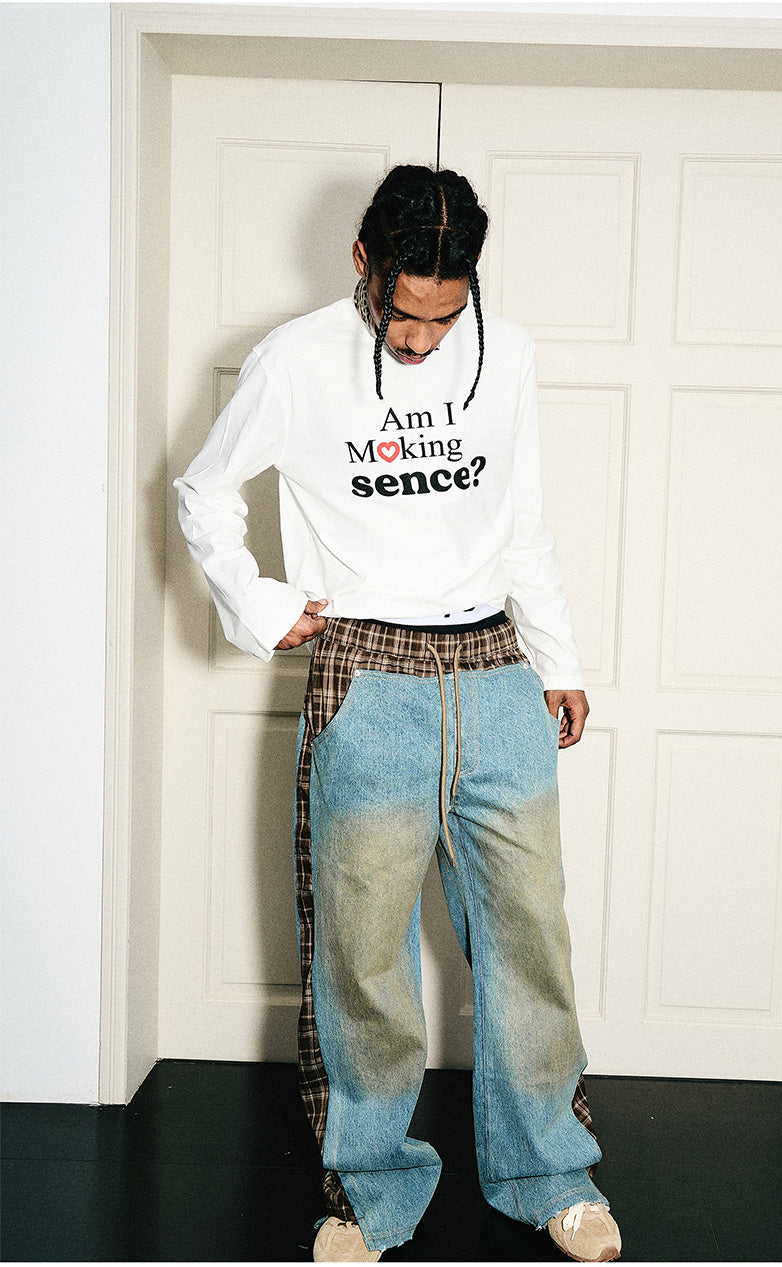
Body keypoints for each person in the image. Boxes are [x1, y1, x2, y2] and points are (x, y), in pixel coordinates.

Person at [175, 165, 621, 1263]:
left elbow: (521, 517)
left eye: (445, 317)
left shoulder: (508, 354)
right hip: (368, 670)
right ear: (363, 264)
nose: (420, 341)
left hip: (495, 663)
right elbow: (202, 488)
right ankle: (368, 1194)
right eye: (402, 313)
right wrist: (262, 604)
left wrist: (557, 657)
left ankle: (550, 1175)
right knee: (364, 953)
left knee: (530, 938)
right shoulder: (296, 359)